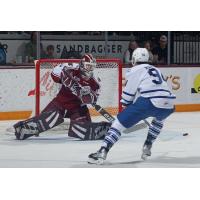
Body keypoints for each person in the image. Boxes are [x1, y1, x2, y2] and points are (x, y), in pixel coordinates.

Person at [88, 48, 175, 165]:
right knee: (159, 119)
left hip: (149, 102)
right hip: (169, 104)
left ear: (134, 59)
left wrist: (126, 106)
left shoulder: (134, 70)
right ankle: (148, 145)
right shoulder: (156, 69)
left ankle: (103, 151)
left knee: (117, 124)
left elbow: (128, 95)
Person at [13, 54, 111, 140]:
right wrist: (65, 77)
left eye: (92, 67)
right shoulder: (71, 69)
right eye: (88, 66)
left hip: (78, 108)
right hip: (61, 102)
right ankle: (22, 128)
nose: (89, 69)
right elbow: (54, 74)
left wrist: (88, 96)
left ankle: (105, 129)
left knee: (80, 130)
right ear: (82, 64)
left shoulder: (95, 82)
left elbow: (93, 99)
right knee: (48, 119)